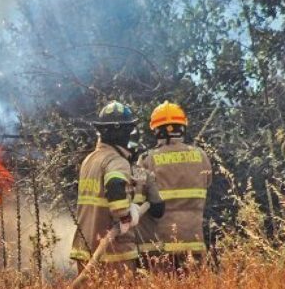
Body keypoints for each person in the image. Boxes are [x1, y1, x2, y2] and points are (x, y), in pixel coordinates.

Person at [70, 101, 165, 276]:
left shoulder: (90, 160)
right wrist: (126, 215)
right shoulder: (116, 161)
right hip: (113, 253)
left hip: (85, 248)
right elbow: (115, 186)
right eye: (130, 131)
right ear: (123, 133)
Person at [136, 101, 212, 273]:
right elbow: (207, 183)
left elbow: (137, 197)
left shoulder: (147, 159)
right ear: (182, 128)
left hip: (161, 245)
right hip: (194, 242)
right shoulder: (201, 156)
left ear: (156, 131)